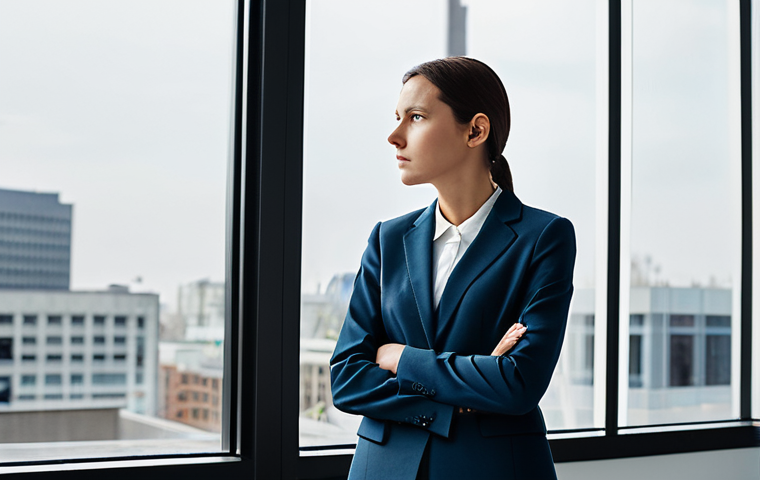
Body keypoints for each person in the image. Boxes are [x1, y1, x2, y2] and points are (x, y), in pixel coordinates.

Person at [330, 57, 576, 480]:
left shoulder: (544, 237)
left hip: (492, 469)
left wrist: (400, 357)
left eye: (417, 117)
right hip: (383, 469)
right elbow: (347, 378)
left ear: (475, 130)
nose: (394, 136)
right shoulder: (388, 239)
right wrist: (462, 392)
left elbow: (518, 384)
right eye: (397, 118)